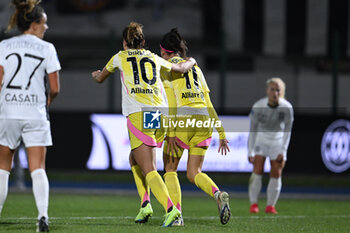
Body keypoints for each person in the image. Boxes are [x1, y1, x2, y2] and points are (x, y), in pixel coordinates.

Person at [91, 22, 197, 227]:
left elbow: (101, 78)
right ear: (144, 42)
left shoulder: (120, 57)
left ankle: (171, 210)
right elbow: (181, 68)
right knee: (134, 159)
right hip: (159, 114)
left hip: (139, 114)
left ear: (124, 43)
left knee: (149, 168)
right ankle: (145, 204)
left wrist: (95, 75)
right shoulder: (153, 57)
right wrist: (191, 60)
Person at [158, 28, 231, 226]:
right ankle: (217, 194)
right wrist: (221, 132)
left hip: (183, 119)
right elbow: (208, 102)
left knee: (170, 169)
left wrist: (171, 133)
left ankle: (176, 216)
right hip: (204, 121)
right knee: (194, 173)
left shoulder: (165, 67)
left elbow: (172, 103)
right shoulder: (196, 68)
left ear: (164, 51)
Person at [0, 0, 61, 232]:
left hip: (8, 112)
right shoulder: (47, 48)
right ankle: (42, 217)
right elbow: (55, 88)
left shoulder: (5, 45)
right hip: (35, 113)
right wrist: (45, 103)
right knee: (38, 168)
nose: (46, 28)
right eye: (44, 24)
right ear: (35, 24)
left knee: (3, 167)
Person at [247, 77, 293, 214]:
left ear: (282, 92)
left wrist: (283, 151)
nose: (275, 93)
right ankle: (253, 204)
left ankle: (270, 206)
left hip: (277, 141)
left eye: (278, 90)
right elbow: (252, 130)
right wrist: (250, 151)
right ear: (267, 91)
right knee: (258, 169)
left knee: (276, 171)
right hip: (261, 140)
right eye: (272, 89)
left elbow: (287, 131)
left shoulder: (287, 108)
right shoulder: (258, 106)